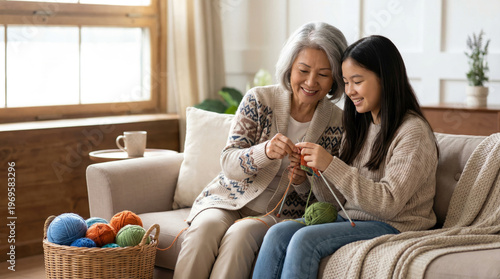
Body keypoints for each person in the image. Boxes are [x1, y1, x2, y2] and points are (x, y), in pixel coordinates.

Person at [252, 35, 439, 279]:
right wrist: (312, 175)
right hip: (351, 217)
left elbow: (388, 204)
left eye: (357, 81)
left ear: (385, 78)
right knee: (278, 233)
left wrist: (331, 164)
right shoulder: (360, 127)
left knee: (304, 240)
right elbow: (336, 201)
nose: (349, 91)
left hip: (396, 225)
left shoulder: (412, 132)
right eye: (346, 82)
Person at [173, 22, 348, 279]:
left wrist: (302, 181)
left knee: (239, 235)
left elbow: (332, 200)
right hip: (228, 199)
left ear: (335, 78)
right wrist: (264, 151)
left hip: (280, 213)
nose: (311, 82)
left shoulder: (339, 124)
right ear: (290, 68)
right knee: (205, 229)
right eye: (304, 70)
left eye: (323, 74)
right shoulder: (258, 100)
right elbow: (229, 163)